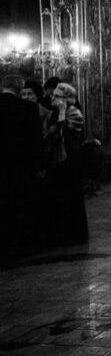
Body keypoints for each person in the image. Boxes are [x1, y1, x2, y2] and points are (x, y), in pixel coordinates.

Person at [0, 74, 43, 260]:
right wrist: (39, 165)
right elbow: (35, 140)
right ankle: (20, 244)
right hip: (21, 166)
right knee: (20, 204)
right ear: (19, 89)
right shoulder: (28, 108)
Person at [45, 82, 88, 246]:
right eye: (53, 95)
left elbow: (66, 132)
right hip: (57, 158)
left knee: (71, 194)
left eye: (57, 96)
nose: (53, 99)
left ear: (67, 99)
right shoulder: (53, 114)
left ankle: (74, 234)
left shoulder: (74, 112)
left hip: (71, 158)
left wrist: (63, 112)